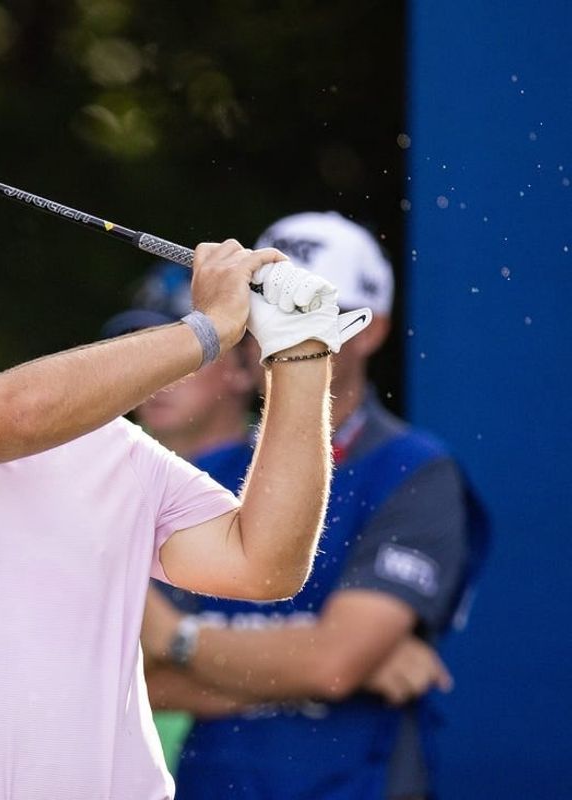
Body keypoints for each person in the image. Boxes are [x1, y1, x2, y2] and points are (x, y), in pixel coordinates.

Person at [0, 177, 371, 799]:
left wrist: (301, 355)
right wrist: (208, 328)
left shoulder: (101, 443)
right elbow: (11, 414)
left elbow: (262, 563)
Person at [141, 212, 490, 799]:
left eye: (302, 310)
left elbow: (332, 661)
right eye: (259, 310)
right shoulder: (215, 469)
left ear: (372, 329)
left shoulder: (416, 469)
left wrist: (182, 641)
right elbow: (137, 679)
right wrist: (327, 671)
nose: (267, 330)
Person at [101, 262, 261, 774]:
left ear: (241, 367)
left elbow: (336, 654)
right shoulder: (90, 471)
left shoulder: (298, 475)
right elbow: (67, 671)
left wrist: (169, 642)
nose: (159, 371)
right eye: (144, 347)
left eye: (191, 346)